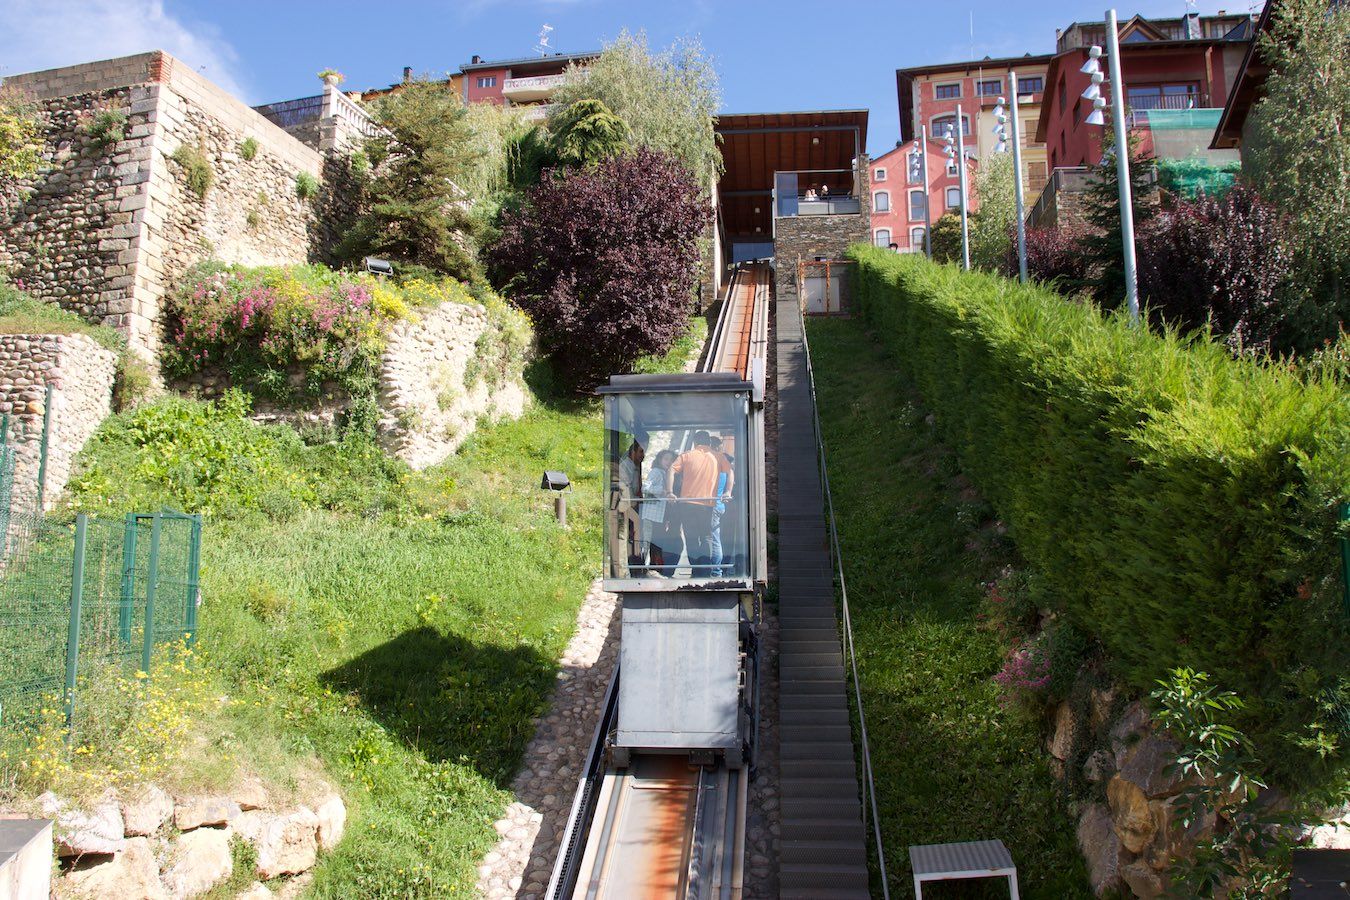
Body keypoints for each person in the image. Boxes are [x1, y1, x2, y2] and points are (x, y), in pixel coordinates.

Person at [667, 431, 721, 577]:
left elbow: (671, 470)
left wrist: (670, 492)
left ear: (695, 442)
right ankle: (706, 570)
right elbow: (730, 471)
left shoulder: (686, 455)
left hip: (687, 503)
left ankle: (696, 570)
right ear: (709, 442)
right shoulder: (716, 457)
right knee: (706, 537)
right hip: (707, 503)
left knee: (691, 538)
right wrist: (727, 491)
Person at [641, 449, 676, 576]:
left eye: (671, 460)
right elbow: (645, 487)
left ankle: (653, 568)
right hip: (651, 514)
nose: (668, 462)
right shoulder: (656, 472)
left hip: (659, 516)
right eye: (666, 459)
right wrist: (662, 490)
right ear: (660, 460)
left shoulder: (666, 473)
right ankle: (642, 568)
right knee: (647, 542)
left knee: (656, 544)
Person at [617, 439, 644, 574]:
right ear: (633, 452)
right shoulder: (626, 467)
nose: (643, 455)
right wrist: (635, 501)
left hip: (633, 504)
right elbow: (626, 489)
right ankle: (632, 564)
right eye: (640, 452)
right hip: (628, 506)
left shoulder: (635, 466)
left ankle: (636, 564)